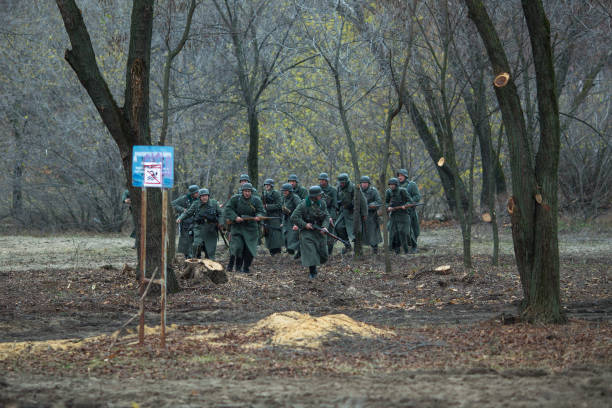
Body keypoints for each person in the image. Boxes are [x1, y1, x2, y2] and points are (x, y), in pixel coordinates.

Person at [223, 183, 265, 273]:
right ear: (242, 191)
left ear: (251, 192)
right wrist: (235, 217)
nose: (247, 193)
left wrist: (259, 216)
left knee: (250, 249)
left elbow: (261, 211)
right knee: (237, 247)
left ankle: (246, 268)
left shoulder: (256, 200)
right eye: (245, 191)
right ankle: (235, 267)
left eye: (249, 191)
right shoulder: (236, 199)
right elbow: (228, 209)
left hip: (251, 228)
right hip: (238, 227)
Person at [290, 186, 330, 279]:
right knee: (311, 253)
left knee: (324, 254)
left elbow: (326, 216)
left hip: (319, 231)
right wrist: (305, 225)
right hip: (307, 232)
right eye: (319, 195)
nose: (321, 196)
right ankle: (312, 272)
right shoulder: (303, 204)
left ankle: (315, 266)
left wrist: (325, 226)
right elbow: (294, 217)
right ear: (314, 196)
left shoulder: (322, 203)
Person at [177, 188, 221, 260]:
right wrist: (181, 218)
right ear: (200, 197)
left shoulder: (214, 203)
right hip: (199, 227)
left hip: (211, 228)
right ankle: (195, 260)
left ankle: (210, 263)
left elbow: (220, 214)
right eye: (202, 196)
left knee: (210, 249)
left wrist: (221, 223)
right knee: (196, 245)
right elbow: (188, 213)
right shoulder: (196, 204)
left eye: (206, 195)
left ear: (208, 196)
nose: (204, 197)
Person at [335, 173, 367, 254]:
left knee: (355, 231)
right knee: (338, 227)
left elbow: (362, 200)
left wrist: (364, 213)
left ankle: (359, 250)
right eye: (340, 182)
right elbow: (338, 199)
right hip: (344, 211)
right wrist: (338, 207)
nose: (341, 184)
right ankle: (347, 245)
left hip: (353, 212)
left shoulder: (354, 187)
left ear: (346, 181)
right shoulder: (339, 188)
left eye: (343, 182)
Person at [171, 185, 199, 257]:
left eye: (197, 192)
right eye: (196, 192)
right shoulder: (185, 198)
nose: (197, 194)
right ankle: (186, 255)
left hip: (195, 222)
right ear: (192, 193)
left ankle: (195, 255)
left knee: (195, 239)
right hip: (185, 222)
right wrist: (182, 209)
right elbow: (173, 204)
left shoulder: (199, 199)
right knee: (185, 239)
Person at [385, 178, 412, 254]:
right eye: (390, 185)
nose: (392, 186)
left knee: (404, 232)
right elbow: (385, 202)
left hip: (403, 214)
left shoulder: (402, 191)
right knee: (394, 233)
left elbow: (410, 200)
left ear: (396, 185)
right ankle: (396, 251)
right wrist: (388, 207)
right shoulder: (388, 192)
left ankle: (406, 250)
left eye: (393, 184)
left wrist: (405, 205)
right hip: (394, 215)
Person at [397, 169, 421, 252]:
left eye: (401, 175)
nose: (400, 177)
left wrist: (408, 203)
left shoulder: (411, 185)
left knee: (413, 230)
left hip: (410, 211)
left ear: (405, 176)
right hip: (399, 212)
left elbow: (417, 197)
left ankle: (414, 247)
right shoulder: (396, 185)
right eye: (399, 175)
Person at [359, 176, 383, 253]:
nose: (364, 184)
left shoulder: (373, 191)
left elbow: (378, 202)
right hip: (360, 215)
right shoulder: (358, 191)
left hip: (371, 215)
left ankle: (375, 249)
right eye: (363, 183)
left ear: (368, 184)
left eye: (366, 183)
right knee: (360, 232)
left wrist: (369, 206)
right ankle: (359, 250)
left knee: (373, 233)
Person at [262, 179, 283, 256]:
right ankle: (271, 251)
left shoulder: (276, 193)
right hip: (266, 216)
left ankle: (277, 251)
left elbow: (279, 205)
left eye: (268, 185)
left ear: (272, 186)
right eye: (266, 185)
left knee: (276, 235)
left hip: (275, 216)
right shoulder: (264, 193)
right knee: (268, 234)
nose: (267, 186)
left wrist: (267, 206)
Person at [318, 172, 338, 256]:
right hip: (318, 213)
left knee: (330, 235)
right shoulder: (317, 189)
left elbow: (335, 205)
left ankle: (329, 253)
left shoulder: (333, 190)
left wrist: (331, 217)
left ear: (327, 181)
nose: (321, 182)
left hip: (330, 212)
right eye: (320, 180)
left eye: (323, 180)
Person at [280, 182, 302, 256]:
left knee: (293, 239)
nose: (284, 192)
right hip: (286, 220)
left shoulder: (295, 198)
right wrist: (282, 222)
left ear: (290, 191)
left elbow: (300, 210)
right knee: (285, 238)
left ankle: (300, 252)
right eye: (283, 191)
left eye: (286, 191)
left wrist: (297, 224)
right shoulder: (283, 198)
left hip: (294, 220)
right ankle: (291, 253)